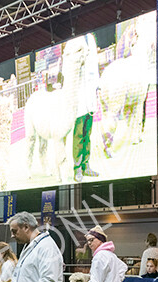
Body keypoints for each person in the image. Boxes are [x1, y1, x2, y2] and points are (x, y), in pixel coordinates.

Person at [72, 33, 101, 182]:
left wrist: (97, 86)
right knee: (78, 135)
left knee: (87, 135)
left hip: (90, 94)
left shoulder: (91, 38)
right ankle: (77, 169)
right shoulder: (74, 41)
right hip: (79, 95)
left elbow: (94, 65)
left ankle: (86, 166)